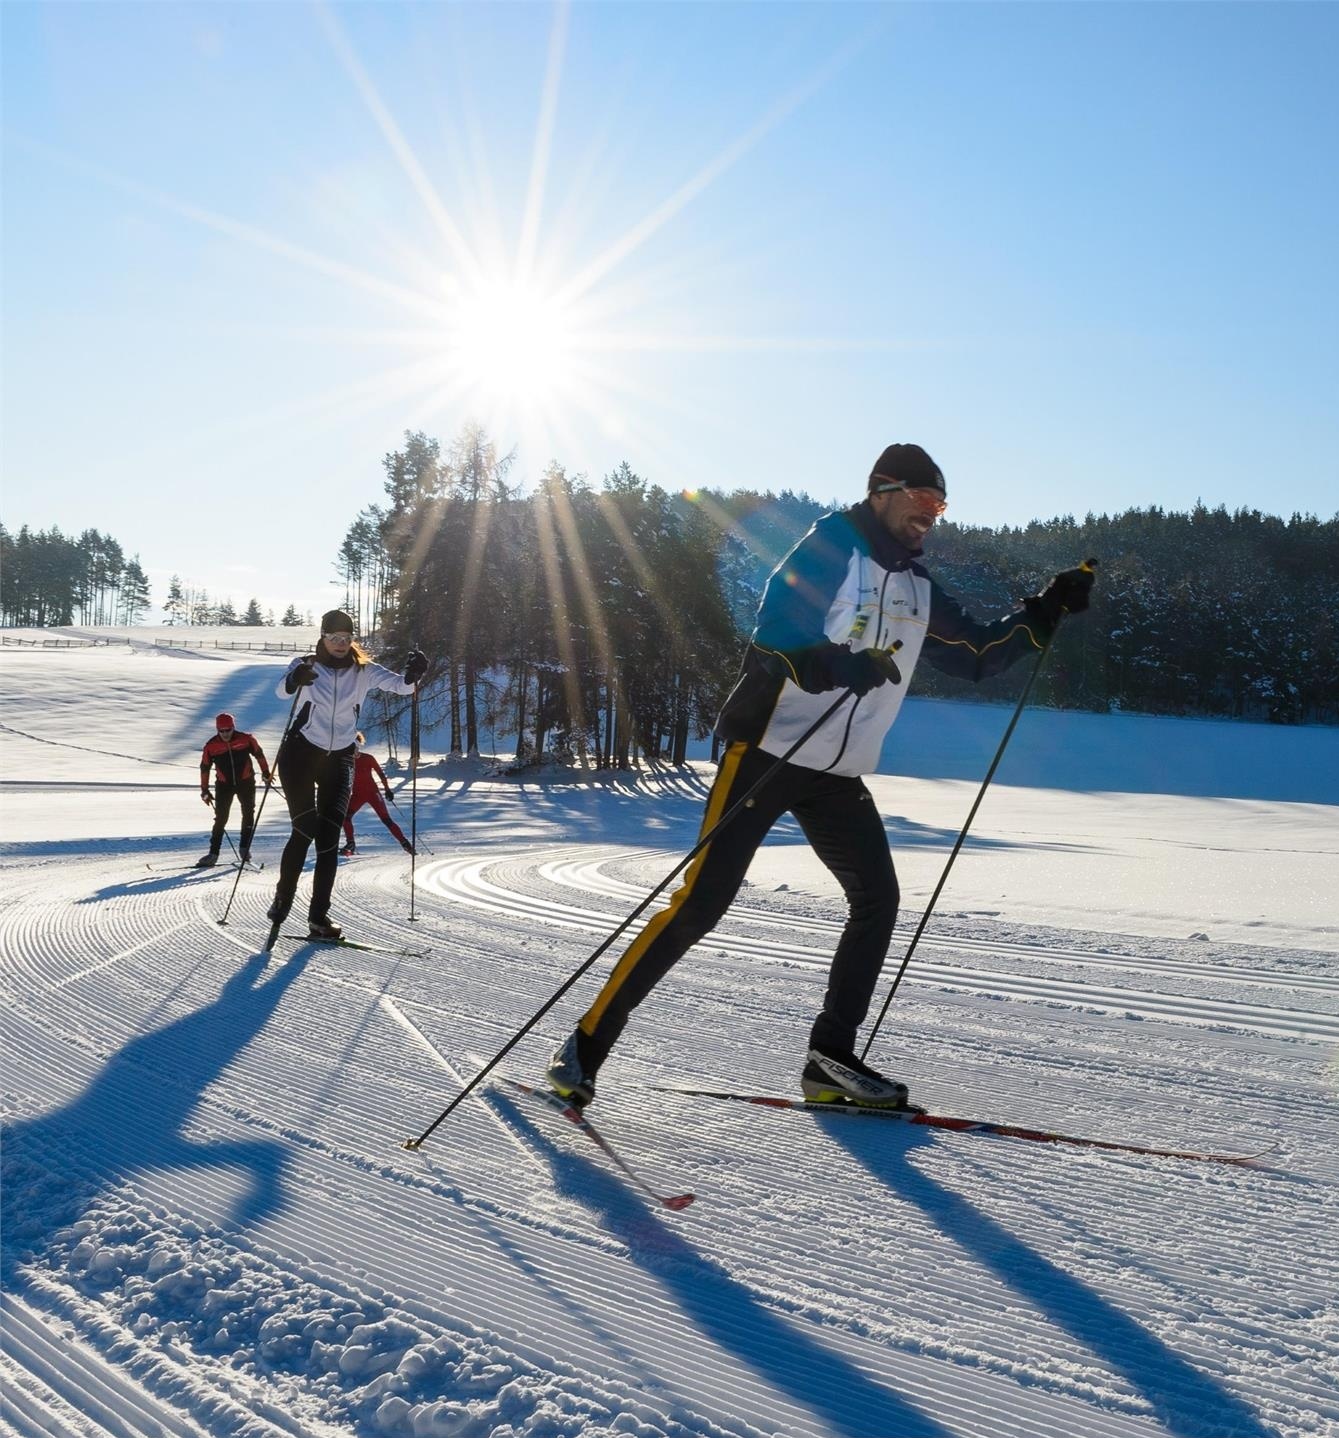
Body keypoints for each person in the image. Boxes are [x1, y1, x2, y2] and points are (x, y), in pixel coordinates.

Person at [546, 442, 1094, 1110]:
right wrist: (838, 663)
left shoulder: (918, 588)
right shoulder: (832, 546)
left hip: (836, 772)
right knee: (702, 903)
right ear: (882, 491)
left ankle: (829, 1060)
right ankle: (586, 1045)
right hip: (768, 751)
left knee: (878, 898)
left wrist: (1044, 610)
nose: (930, 516)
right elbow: (775, 631)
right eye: (922, 500)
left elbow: (978, 654)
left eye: (940, 506)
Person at [269, 611, 428, 941]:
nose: (340, 645)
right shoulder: (305, 664)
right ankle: (282, 899)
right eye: (334, 638)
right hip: (300, 754)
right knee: (304, 829)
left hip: (339, 758)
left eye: (346, 638)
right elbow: (281, 692)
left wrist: (414, 674)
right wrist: (294, 678)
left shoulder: (363, 670)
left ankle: (319, 918)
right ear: (323, 637)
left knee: (328, 839)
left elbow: (400, 686)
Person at [196, 712, 271, 867]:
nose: (225, 734)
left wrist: (266, 773)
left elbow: (259, 754)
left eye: (228, 730)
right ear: (217, 730)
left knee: (248, 813)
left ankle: (244, 849)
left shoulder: (246, 739)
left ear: (233, 727)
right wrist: (204, 790)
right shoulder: (211, 746)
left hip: (246, 782)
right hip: (224, 785)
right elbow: (205, 768)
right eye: (221, 731)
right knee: (221, 818)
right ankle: (213, 854)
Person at [341, 732, 413, 857]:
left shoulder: (368, 758)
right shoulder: (346, 761)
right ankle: (350, 844)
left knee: (386, 819)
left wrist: (387, 790)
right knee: (345, 818)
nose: (354, 752)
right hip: (357, 795)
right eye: (350, 749)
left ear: (358, 747)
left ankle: (405, 843)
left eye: (355, 748)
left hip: (373, 794)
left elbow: (380, 774)